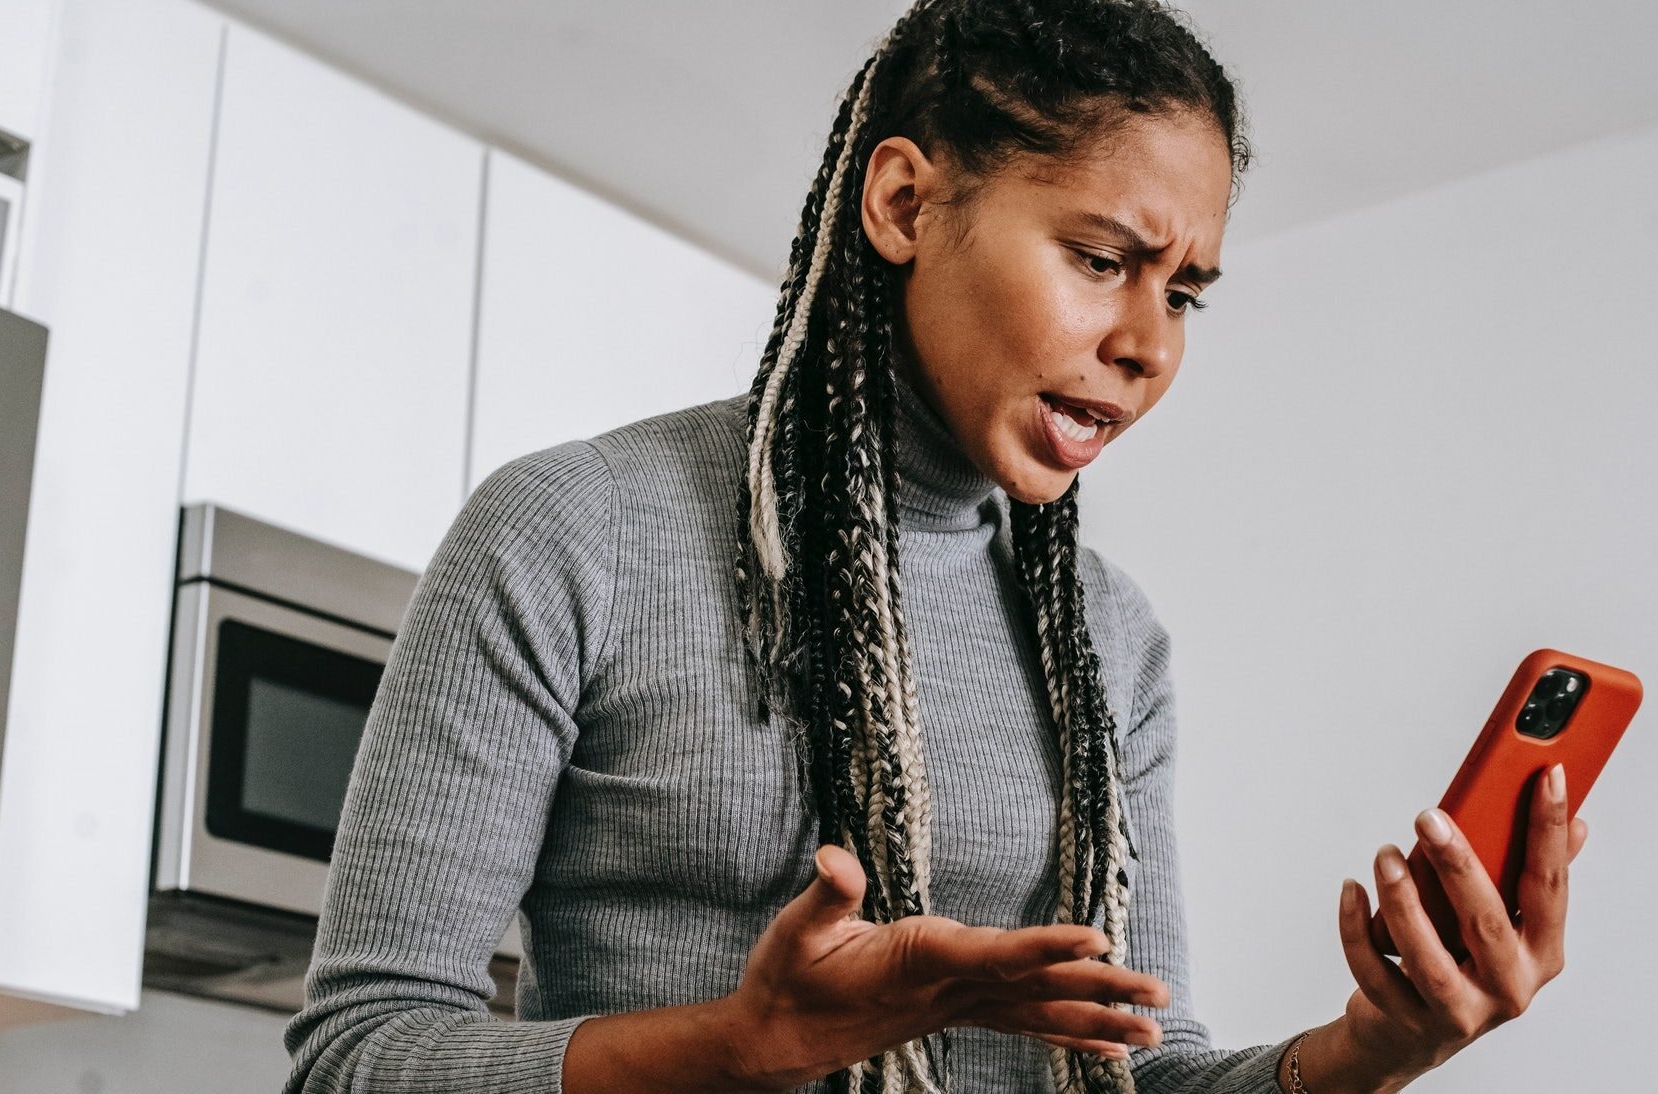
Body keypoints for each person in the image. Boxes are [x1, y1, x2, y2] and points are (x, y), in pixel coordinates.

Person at [281, 1, 1590, 1091]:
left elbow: (1149, 1064)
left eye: (1182, 291)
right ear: (906, 202)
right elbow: (357, 1050)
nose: (1150, 345)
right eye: (1100, 258)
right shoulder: (576, 533)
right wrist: (742, 1047)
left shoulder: (1107, 642)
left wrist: (1375, 1046)